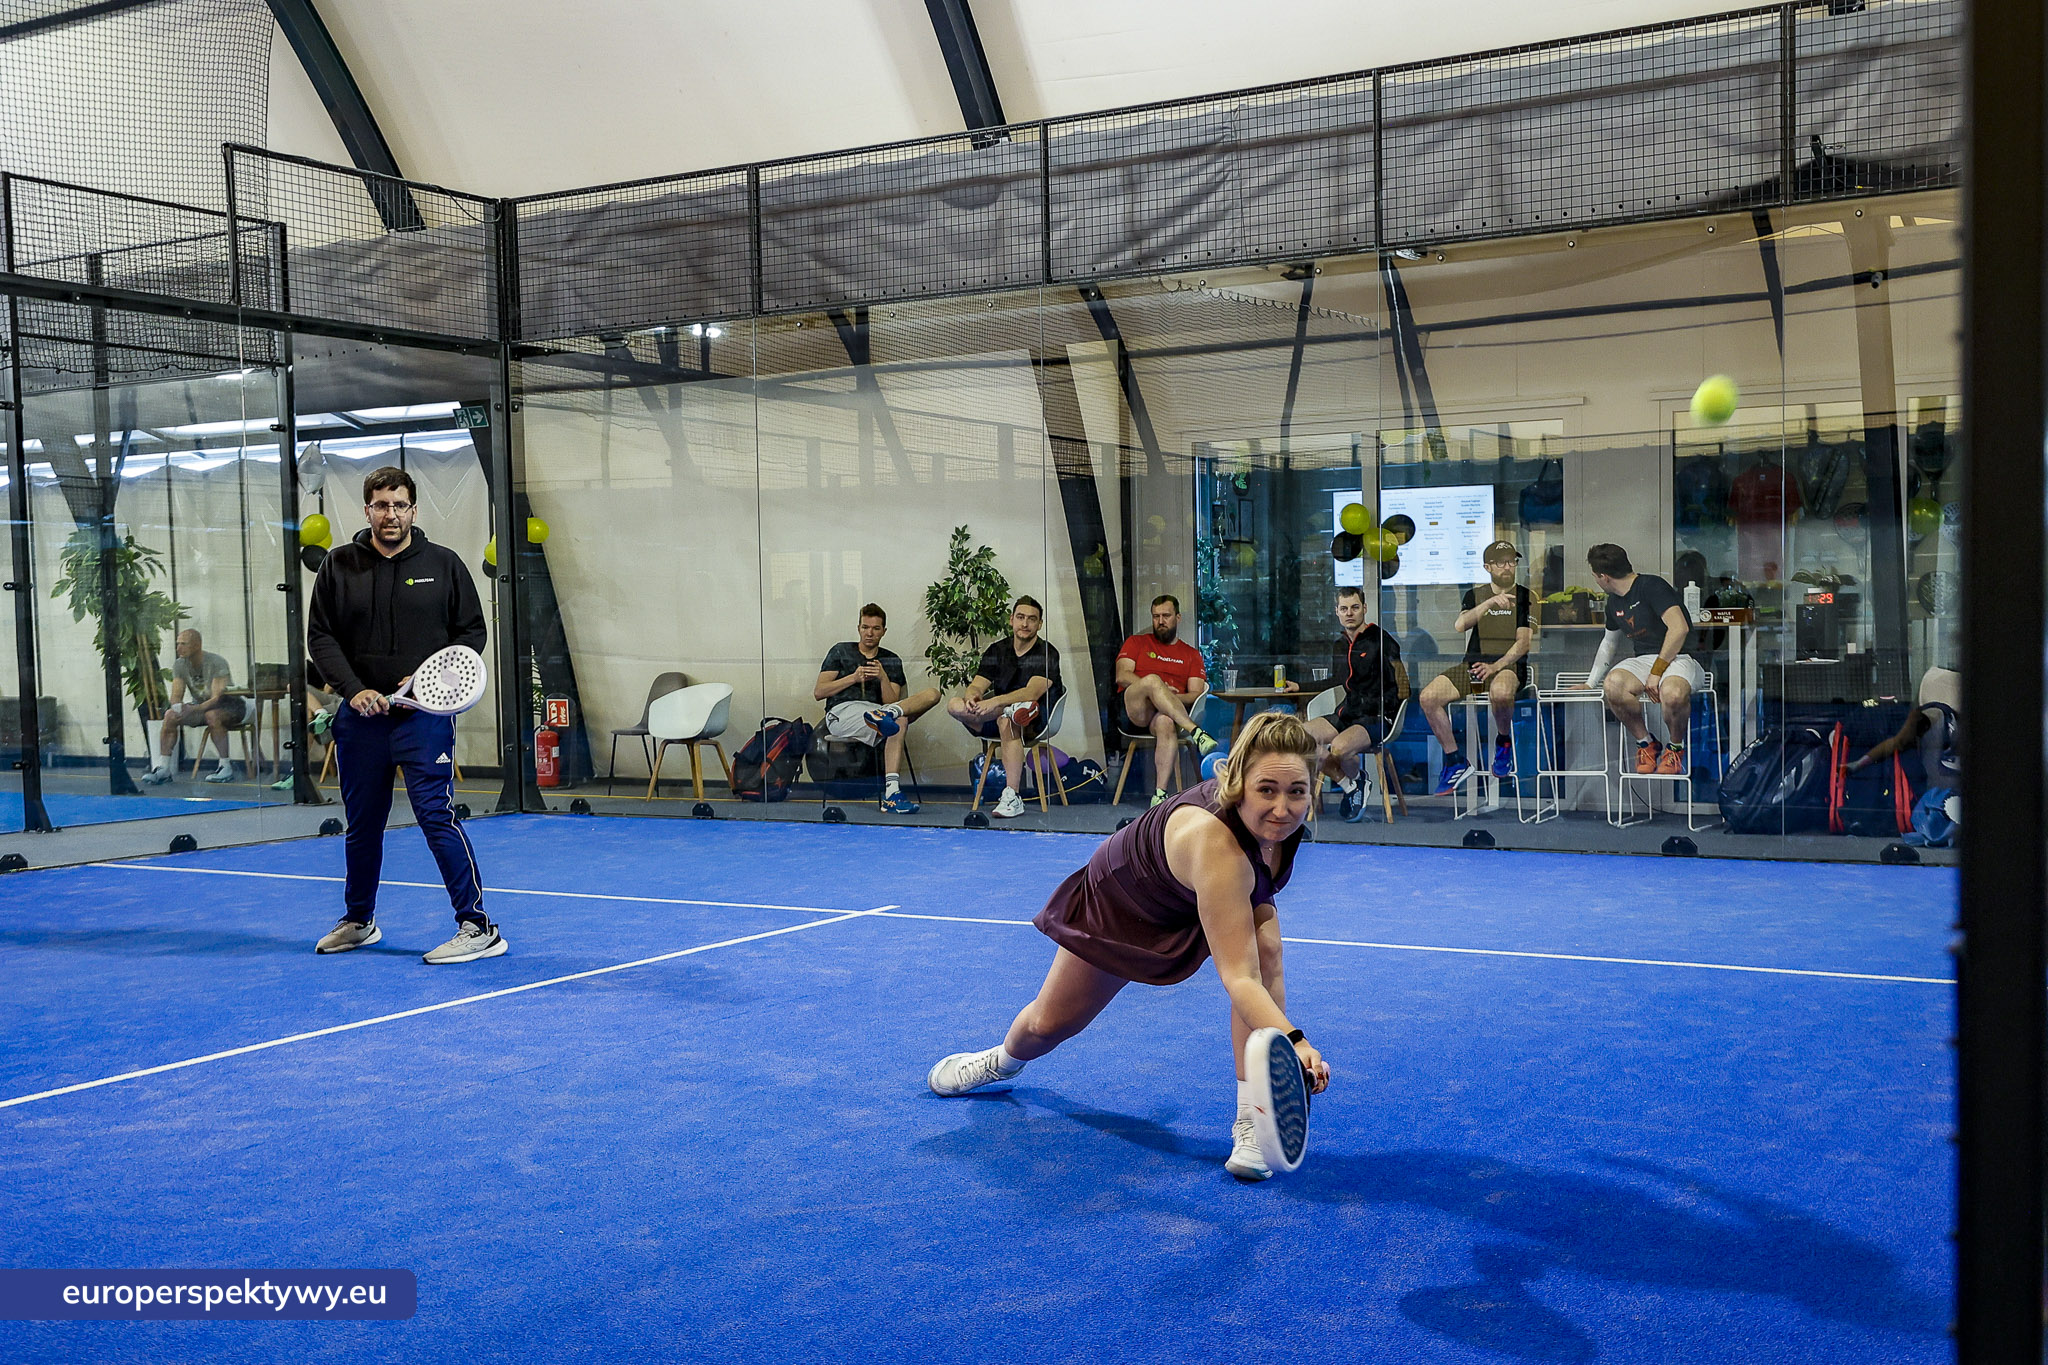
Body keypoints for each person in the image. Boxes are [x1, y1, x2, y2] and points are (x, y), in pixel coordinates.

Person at [925, 710, 1331, 1182]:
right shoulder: (1219, 847)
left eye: (1296, 792)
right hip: (1122, 901)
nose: (1283, 808)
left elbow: (1262, 966)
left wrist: (1283, 1041)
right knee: (1049, 1023)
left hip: (1193, 891)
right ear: (1238, 783)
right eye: (1267, 790)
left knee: (1267, 952)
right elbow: (1237, 979)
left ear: (1311, 789)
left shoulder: (1276, 831)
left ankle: (1249, 1121)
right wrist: (1296, 1041)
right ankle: (999, 1062)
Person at [307, 466, 501, 964]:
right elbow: (321, 637)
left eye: (399, 505)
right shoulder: (337, 566)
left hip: (423, 718)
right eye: (380, 505)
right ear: (367, 509)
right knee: (362, 823)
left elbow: (471, 633)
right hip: (360, 720)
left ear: (413, 510)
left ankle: (478, 927)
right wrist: (354, 691)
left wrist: (429, 679)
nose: (390, 514)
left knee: (436, 815)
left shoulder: (445, 564)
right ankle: (358, 921)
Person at [1418, 541, 1532, 793]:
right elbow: (1461, 625)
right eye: (1501, 562)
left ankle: (1503, 743)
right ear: (1487, 567)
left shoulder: (1525, 595)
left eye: (1511, 561)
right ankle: (1454, 760)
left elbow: (1523, 643)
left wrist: (1496, 666)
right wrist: (1489, 603)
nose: (1507, 567)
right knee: (1428, 697)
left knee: (1500, 692)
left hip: (1508, 668)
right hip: (1475, 669)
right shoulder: (1475, 595)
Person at [1579, 543, 1700, 775]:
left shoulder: (1651, 586)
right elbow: (1609, 642)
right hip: (1644, 659)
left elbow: (1679, 629)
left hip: (1679, 657)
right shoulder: (1614, 601)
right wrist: (1590, 682)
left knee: (1673, 694)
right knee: (1613, 685)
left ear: (1603, 577)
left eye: (1595, 576)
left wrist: (1657, 672)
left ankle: (1675, 748)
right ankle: (1646, 742)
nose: (1596, 580)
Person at [814, 603, 942, 814]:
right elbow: (820, 692)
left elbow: (891, 700)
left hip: (880, 711)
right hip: (843, 712)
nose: (869, 633)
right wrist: (853, 678)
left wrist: (883, 677)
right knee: (897, 720)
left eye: (875, 629)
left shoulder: (891, 660)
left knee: (931, 695)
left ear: (883, 631)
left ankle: (891, 793)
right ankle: (892, 793)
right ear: (858, 628)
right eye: (865, 627)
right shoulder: (841, 651)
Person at [947, 596, 1063, 819]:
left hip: (1034, 718)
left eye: (1031, 619)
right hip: (995, 714)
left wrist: (995, 702)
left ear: (1039, 624)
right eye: (1020, 617)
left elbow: (1032, 693)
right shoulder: (997, 650)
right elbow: (978, 684)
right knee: (954, 705)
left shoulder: (1047, 652)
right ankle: (993, 713)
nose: (1025, 624)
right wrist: (973, 697)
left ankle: (1013, 795)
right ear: (1011, 620)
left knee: (1008, 719)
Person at [1294, 585, 1404, 822]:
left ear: (1364, 608)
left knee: (1340, 748)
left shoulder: (1381, 640)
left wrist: (1390, 712)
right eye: (1344, 609)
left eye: (1354, 607)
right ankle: (1351, 785)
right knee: (1297, 738)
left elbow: (1402, 684)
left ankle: (1354, 782)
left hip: (1376, 716)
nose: (1349, 613)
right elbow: (1336, 680)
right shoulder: (1339, 645)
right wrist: (1300, 687)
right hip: (1347, 713)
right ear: (1337, 612)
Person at [1114, 594, 1217, 807]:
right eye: (1156, 616)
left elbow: (1196, 693)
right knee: (1152, 681)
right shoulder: (1136, 642)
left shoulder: (1191, 654)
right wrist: (1156, 688)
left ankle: (1159, 795)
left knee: (1166, 722)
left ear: (1177, 618)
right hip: (1135, 709)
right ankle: (1196, 732)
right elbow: (1122, 676)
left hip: (1165, 714)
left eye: (1166, 616)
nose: (1160, 621)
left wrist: (1168, 696)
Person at [139, 629, 246, 785]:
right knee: (170, 716)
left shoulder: (216, 662)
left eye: (184, 644)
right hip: (201, 707)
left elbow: (217, 698)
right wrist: (177, 708)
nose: (178, 648)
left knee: (212, 715)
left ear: (197, 645)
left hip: (231, 706)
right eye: (177, 644)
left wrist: (193, 709)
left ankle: (225, 767)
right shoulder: (180, 664)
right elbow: (176, 694)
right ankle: (164, 768)